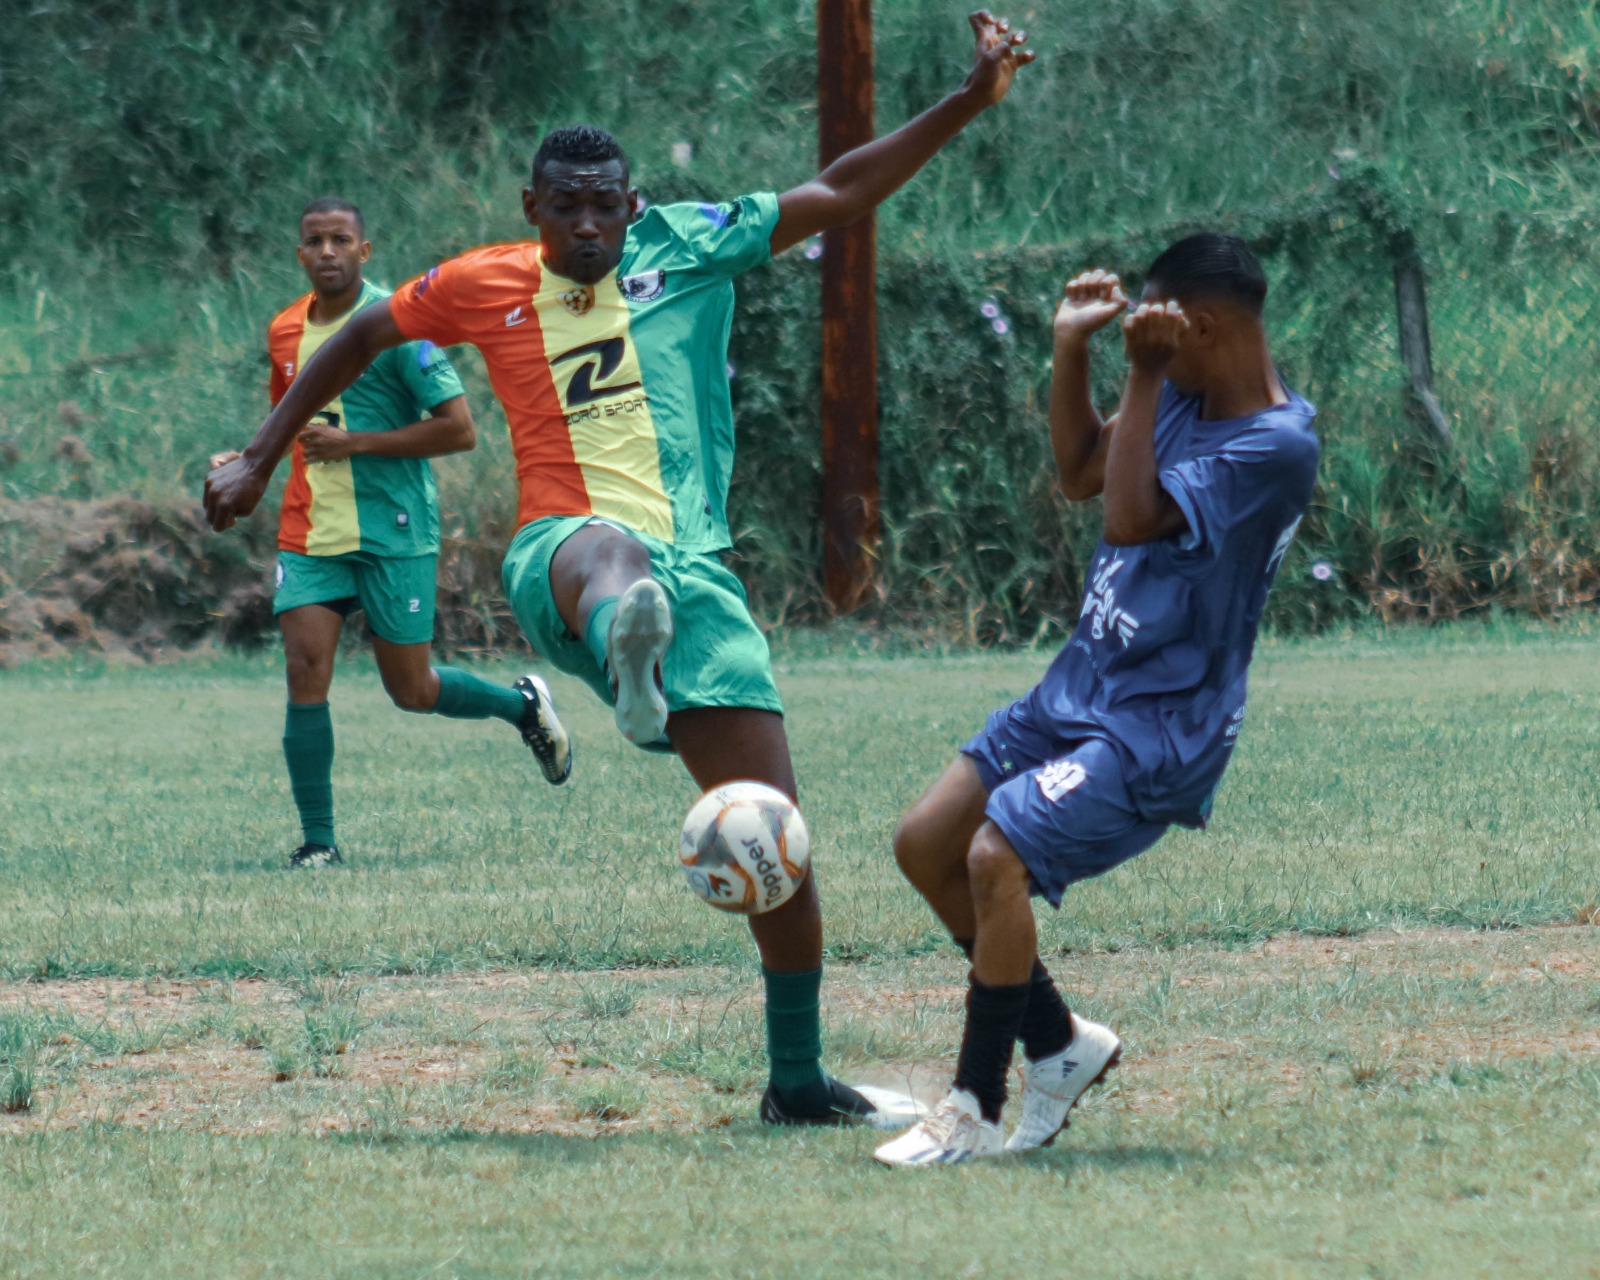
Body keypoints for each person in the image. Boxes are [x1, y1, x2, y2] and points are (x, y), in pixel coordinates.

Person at [205, 13, 1034, 1123]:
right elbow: (357, 338)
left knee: (770, 835)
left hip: (700, 581)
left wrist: (970, 100)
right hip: (565, 560)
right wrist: (259, 454)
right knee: (610, 551)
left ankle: (795, 1080)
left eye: (607, 205)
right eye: (567, 206)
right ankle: (620, 646)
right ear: (530, 209)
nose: (588, 225)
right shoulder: (479, 283)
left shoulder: (692, 242)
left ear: (631, 206)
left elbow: (840, 189)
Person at [874, 233, 1320, 1166]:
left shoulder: (1274, 445)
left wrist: (1147, 376)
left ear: (1199, 327)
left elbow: (1132, 517)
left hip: (1159, 727)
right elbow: (1084, 474)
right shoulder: (1181, 391)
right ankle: (1062, 1044)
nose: (1146, 348)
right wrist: (1072, 349)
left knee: (997, 856)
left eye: (1159, 333)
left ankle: (973, 1103)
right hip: (1078, 688)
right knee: (927, 844)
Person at [209, 196, 572, 871]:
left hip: (393, 530)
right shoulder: (286, 329)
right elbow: (284, 426)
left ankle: (519, 705)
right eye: (314, 240)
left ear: (364, 250)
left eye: (340, 239)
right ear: (299, 253)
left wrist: (356, 444)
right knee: (304, 668)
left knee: (411, 691)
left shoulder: (402, 323)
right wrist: (244, 460)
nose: (327, 252)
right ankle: (319, 842)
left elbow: (460, 430)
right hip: (311, 530)